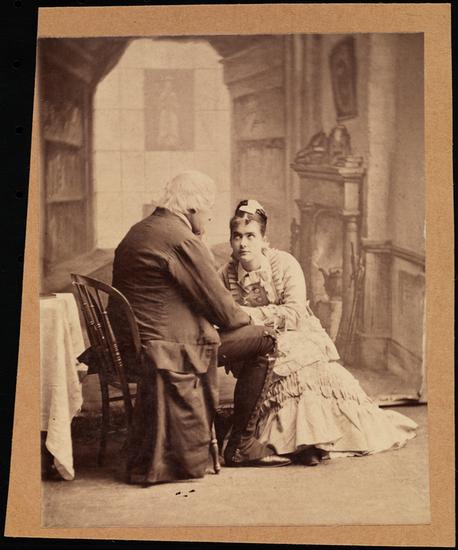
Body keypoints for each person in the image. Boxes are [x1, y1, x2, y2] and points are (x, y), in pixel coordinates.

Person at [108, 172, 287, 486]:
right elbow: (225, 313)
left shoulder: (140, 230)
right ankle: (242, 445)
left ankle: (221, 431)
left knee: (236, 334)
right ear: (192, 208)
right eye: (208, 211)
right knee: (264, 339)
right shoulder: (181, 239)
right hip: (167, 350)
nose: (209, 218)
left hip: (132, 346)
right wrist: (252, 320)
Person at [219, 199, 418, 467]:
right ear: (231, 240)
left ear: (264, 239)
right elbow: (224, 318)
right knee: (280, 368)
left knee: (318, 375)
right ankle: (300, 444)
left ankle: (314, 442)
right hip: (256, 345)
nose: (243, 243)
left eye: (250, 236)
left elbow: (294, 313)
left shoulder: (284, 264)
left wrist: (246, 315)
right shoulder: (225, 276)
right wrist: (248, 322)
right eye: (237, 236)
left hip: (297, 333)